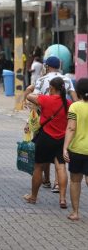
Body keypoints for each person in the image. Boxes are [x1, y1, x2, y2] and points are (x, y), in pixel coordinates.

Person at [24, 55, 78, 192]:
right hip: (63, 120)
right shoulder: (67, 79)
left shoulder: (41, 80)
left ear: (47, 66)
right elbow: (75, 100)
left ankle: (46, 180)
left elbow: (34, 102)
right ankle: (57, 184)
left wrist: (29, 121)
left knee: (42, 157)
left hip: (45, 121)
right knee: (60, 158)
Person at [25, 77, 71, 208]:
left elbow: (29, 97)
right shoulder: (68, 103)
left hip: (45, 138)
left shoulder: (45, 99)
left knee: (38, 167)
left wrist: (30, 89)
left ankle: (33, 197)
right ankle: (62, 199)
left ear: (51, 88)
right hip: (61, 140)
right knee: (61, 167)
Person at [63, 78, 88, 221]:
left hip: (78, 149)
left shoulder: (74, 107)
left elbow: (71, 128)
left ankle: (75, 212)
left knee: (75, 180)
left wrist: (65, 148)